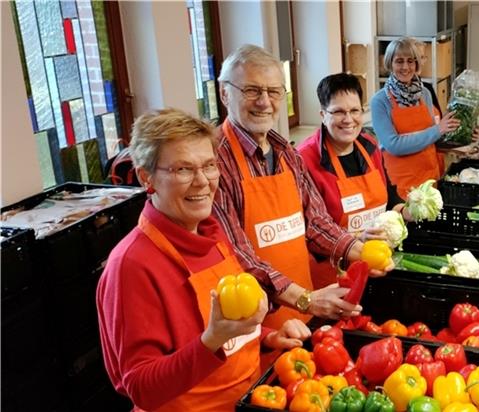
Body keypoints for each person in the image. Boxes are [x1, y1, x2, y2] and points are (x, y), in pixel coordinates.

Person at [96, 108, 311, 412]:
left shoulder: (213, 232)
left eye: (209, 166)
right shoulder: (132, 265)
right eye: (183, 169)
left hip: (250, 397)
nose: (202, 182)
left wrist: (268, 336)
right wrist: (212, 340)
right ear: (147, 177)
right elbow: (141, 387)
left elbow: (227, 331)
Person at [213, 44, 390, 330]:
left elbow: (315, 222)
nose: (264, 102)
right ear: (224, 93)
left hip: (303, 316)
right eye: (251, 91)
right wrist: (304, 298)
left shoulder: (286, 153)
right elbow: (238, 255)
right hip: (254, 327)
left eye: (273, 92)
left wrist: (363, 253)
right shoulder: (214, 163)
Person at [297, 73, 413, 288]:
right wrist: (356, 241)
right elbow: (310, 230)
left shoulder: (368, 146)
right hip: (334, 279)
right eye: (338, 111)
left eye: (354, 111)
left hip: (378, 263)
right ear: (322, 114)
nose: (348, 120)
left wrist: (408, 211)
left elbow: (388, 196)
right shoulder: (305, 160)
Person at [370, 37, 463, 200]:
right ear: (389, 63)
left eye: (410, 61)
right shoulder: (380, 101)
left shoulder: (424, 93)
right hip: (401, 184)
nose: (405, 67)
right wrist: (438, 129)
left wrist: (464, 139)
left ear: (417, 64)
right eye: (399, 61)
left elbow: (435, 138)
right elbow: (394, 145)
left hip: (429, 179)